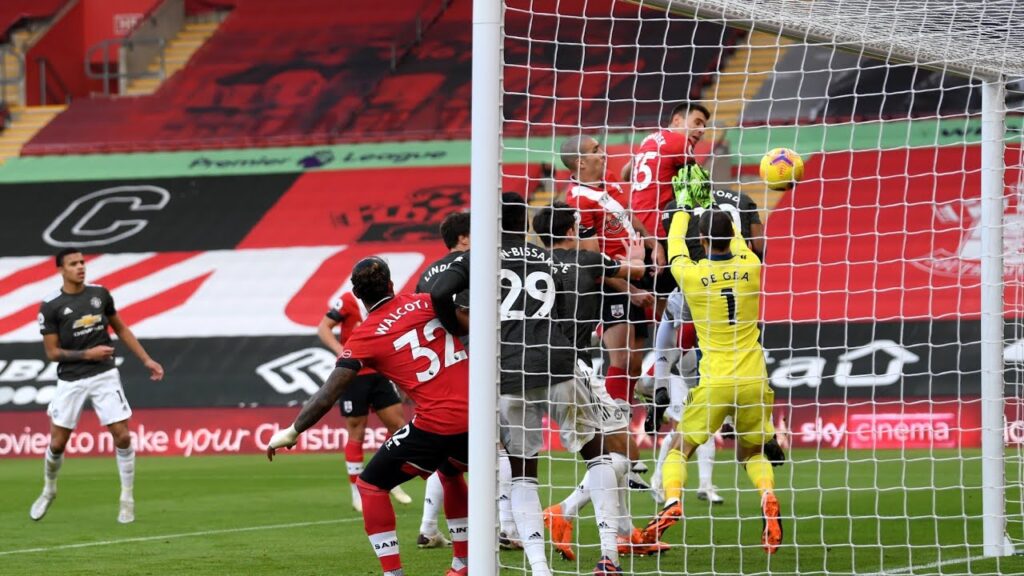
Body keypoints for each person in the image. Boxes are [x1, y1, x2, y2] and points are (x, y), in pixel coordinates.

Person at [430, 192, 629, 575]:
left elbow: (440, 292)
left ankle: (539, 568)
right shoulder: (549, 257)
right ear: (524, 222)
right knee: (598, 453)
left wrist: (456, 326)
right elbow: (570, 309)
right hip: (557, 364)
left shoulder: (477, 258)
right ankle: (609, 556)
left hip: (506, 372)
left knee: (523, 471)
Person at [269, 257, 471, 576]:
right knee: (449, 471)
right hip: (479, 416)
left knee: (371, 486)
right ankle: (463, 564)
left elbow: (328, 393)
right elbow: (466, 322)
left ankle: (393, 573)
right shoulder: (426, 302)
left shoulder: (365, 336)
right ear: (391, 284)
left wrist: (293, 431)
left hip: (439, 423)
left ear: (358, 296)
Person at [642, 183, 784, 555]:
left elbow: (674, 241)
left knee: (678, 448)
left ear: (702, 240)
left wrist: (685, 207)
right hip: (754, 377)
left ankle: (673, 501)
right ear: (732, 236)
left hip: (715, 379)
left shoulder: (690, 276)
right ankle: (767, 496)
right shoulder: (752, 266)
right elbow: (737, 238)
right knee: (752, 454)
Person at [532, 203, 670, 559]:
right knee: (623, 452)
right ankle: (565, 511)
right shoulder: (587, 261)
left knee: (609, 451)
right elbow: (636, 271)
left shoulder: (528, 263)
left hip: (527, 369)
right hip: (573, 369)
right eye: (580, 227)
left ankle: (625, 533)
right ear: (571, 231)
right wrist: (639, 254)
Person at [29, 248, 165, 524]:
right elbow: (52, 353)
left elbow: (122, 329)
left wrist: (147, 360)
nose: (80, 267)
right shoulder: (51, 305)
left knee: (123, 436)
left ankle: (127, 498)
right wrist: (86, 354)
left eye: (82, 262)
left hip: (104, 374)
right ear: (61, 269)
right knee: (57, 442)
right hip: (71, 378)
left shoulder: (100, 294)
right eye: (73, 264)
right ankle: (49, 489)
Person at [562, 135, 658, 427]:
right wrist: (629, 289)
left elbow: (629, 215)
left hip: (640, 271)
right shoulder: (577, 200)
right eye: (595, 151)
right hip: (613, 286)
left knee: (634, 362)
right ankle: (616, 430)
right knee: (622, 357)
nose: (603, 154)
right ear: (580, 161)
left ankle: (627, 419)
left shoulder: (609, 180)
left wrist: (654, 242)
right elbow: (594, 263)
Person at [317, 293, 412, 512]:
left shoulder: (388, 301)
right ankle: (356, 492)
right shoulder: (348, 300)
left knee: (398, 427)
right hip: (354, 375)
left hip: (380, 370)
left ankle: (390, 478)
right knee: (356, 431)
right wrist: (343, 352)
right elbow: (323, 327)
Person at [626, 102, 711, 317]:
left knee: (659, 305)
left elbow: (626, 173)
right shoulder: (679, 142)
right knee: (696, 297)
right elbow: (697, 187)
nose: (701, 130)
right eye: (697, 123)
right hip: (662, 232)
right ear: (677, 121)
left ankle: (662, 349)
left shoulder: (649, 139)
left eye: (704, 126)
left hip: (638, 229)